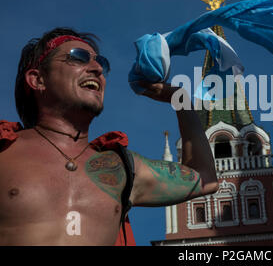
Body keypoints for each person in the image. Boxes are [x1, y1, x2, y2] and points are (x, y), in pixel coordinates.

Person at [0, 27, 218, 245]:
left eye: (100, 62)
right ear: (38, 80)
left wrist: (181, 100)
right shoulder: (5, 151)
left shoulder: (122, 167)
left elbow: (205, 178)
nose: (97, 68)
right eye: (78, 57)